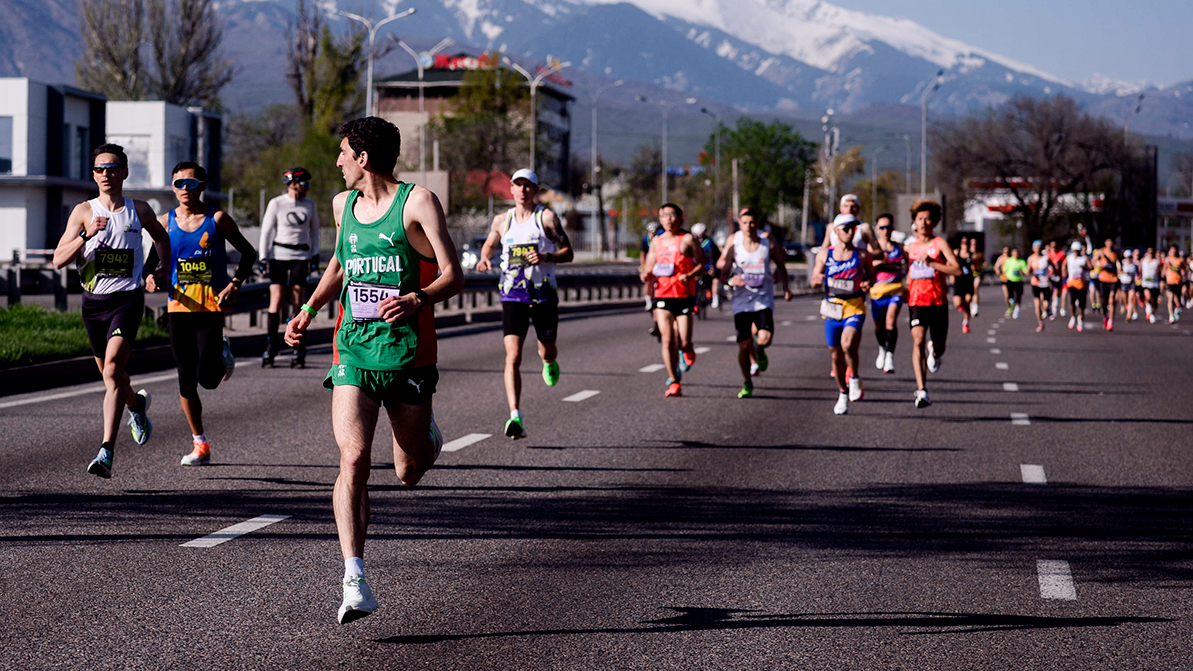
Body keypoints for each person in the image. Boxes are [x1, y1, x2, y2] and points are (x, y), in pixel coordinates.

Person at [284, 117, 463, 624]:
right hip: (354, 350)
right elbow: (340, 263)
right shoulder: (344, 206)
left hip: (407, 353)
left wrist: (417, 298)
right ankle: (354, 576)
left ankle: (428, 435)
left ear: (363, 157)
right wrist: (309, 309)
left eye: (343, 153)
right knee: (354, 457)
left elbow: (455, 275)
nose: (337, 162)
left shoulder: (418, 202)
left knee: (408, 471)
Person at [51, 143, 171, 479]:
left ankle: (106, 450)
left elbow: (162, 238)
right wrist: (87, 235)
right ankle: (137, 406)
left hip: (127, 300)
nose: (106, 174)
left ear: (124, 172)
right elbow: (59, 259)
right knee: (112, 377)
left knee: (113, 369)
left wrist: (162, 268)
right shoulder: (82, 212)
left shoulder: (140, 210)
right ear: (93, 174)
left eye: (113, 167)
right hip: (93, 305)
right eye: (100, 169)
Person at [146, 161, 257, 466]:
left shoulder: (217, 219)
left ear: (203, 186)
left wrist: (235, 284)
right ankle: (200, 443)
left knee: (207, 379)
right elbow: (150, 263)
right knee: (185, 380)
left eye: (192, 184)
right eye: (179, 184)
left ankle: (222, 354)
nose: (185, 189)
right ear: (172, 187)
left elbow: (249, 253)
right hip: (178, 307)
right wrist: (151, 277)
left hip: (210, 306)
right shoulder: (164, 222)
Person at [474, 169, 573, 439]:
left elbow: (568, 252)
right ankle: (515, 415)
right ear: (512, 189)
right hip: (512, 295)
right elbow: (489, 245)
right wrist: (484, 259)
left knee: (547, 351)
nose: (522, 190)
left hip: (543, 295)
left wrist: (546, 256)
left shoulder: (546, 218)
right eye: (517, 185)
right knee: (512, 356)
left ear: (535, 190)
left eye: (527, 186)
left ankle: (549, 361)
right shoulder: (501, 220)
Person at [720, 208, 791, 398]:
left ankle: (759, 350)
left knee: (765, 339)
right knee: (743, 346)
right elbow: (724, 273)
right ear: (740, 225)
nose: (749, 226)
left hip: (763, 299)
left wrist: (786, 288)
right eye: (744, 223)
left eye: (752, 223)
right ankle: (747, 382)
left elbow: (781, 265)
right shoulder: (735, 247)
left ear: (757, 224)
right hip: (741, 302)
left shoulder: (767, 244)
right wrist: (730, 281)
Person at [640, 203, 706, 397]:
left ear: (680, 217)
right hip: (662, 296)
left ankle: (687, 350)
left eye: (672, 215)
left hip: (684, 295)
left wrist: (690, 274)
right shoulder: (656, 242)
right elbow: (649, 265)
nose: (668, 219)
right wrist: (645, 274)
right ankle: (674, 381)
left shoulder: (687, 239)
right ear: (659, 219)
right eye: (664, 216)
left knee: (684, 341)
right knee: (667, 339)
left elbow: (702, 263)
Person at [811, 216, 874, 414]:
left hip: (854, 306)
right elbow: (813, 280)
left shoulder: (862, 255)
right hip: (832, 308)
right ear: (836, 231)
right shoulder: (824, 255)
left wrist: (867, 284)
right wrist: (817, 279)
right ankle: (842, 392)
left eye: (853, 229)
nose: (850, 232)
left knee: (848, 344)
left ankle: (854, 377)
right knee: (836, 355)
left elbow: (872, 276)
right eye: (846, 228)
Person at [259, 167, 320, 367]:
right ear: (293, 183)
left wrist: (315, 254)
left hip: (301, 256)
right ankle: (271, 347)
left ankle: (298, 348)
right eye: (305, 184)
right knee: (275, 300)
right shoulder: (277, 203)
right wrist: (263, 257)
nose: (307, 188)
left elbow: (315, 232)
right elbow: (266, 231)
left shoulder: (310, 205)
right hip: (279, 255)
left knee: (298, 301)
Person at [904, 199, 962, 408]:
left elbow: (957, 269)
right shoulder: (910, 247)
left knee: (939, 346)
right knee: (917, 340)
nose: (923, 223)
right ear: (915, 222)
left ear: (934, 223)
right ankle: (922, 390)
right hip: (916, 301)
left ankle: (935, 352)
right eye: (920, 219)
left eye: (928, 219)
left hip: (937, 301)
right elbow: (902, 270)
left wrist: (934, 264)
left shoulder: (940, 244)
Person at [870, 213, 907, 373]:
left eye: (888, 227)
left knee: (890, 321)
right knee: (879, 327)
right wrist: (878, 262)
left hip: (895, 291)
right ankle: (882, 349)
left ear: (893, 228)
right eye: (882, 227)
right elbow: (864, 266)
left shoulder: (899, 248)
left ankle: (890, 356)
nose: (885, 231)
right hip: (877, 293)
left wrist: (908, 286)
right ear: (877, 229)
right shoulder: (872, 249)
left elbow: (909, 266)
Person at [690, 223, 722, 309]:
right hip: (698, 265)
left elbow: (713, 255)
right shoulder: (692, 242)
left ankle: (714, 297)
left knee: (714, 280)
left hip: (710, 264)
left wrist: (712, 267)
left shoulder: (709, 241)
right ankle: (695, 301)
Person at [1092, 239, 1120, 330]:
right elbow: (1093, 261)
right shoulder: (1101, 252)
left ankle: (1111, 321)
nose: (1110, 244)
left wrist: (1119, 271)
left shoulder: (1116, 253)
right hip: (1103, 278)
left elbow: (1119, 264)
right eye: (1108, 242)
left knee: (1112, 300)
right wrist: (1099, 266)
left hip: (1113, 279)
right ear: (1105, 243)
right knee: (1104, 299)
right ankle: (1105, 315)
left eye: (1112, 242)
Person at [1026, 240, 1053, 332]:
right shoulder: (1030, 259)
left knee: (1045, 305)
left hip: (1045, 284)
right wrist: (1030, 273)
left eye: (1039, 248)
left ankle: (1047, 310)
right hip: (1035, 283)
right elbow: (1027, 271)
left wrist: (1049, 276)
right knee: (1037, 305)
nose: (1037, 250)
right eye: (1035, 248)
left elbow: (1053, 268)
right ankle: (1040, 323)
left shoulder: (1046, 258)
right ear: (1033, 249)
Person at [1065, 241, 1091, 332]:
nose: (1076, 252)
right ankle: (1073, 316)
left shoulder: (1084, 258)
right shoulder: (1069, 258)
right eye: (1075, 250)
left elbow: (1090, 267)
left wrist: (1084, 267)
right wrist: (1064, 272)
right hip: (1072, 282)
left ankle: (1081, 317)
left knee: (1081, 302)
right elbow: (1063, 265)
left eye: (1078, 250)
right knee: (1072, 300)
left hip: (1082, 282)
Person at [951, 235, 975, 335]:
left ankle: (965, 322)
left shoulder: (972, 255)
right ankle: (964, 308)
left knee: (968, 300)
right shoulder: (956, 254)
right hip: (959, 281)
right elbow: (950, 264)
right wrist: (952, 275)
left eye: (966, 243)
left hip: (968, 281)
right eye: (963, 243)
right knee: (958, 303)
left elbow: (977, 267)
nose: (965, 245)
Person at [1002, 248, 1027, 318]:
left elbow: (1025, 270)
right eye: (1014, 254)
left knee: (1018, 295)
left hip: (1018, 280)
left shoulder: (1022, 261)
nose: (1015, 255)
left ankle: (1017, 309)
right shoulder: (1009, 261)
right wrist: (1005, 277)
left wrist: (1023, 272)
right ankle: (1012, 304)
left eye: (1017, 254)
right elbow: (1004, 269)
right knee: (1010, 295)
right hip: (1010, 280)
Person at [1164, 245, 1186, 323]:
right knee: (1170, 298)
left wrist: (1184, 274)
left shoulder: (1180, 260)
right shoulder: (1167, 260)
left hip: (1178, 281)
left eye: (1174, 251)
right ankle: (1171, 315)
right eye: (1172, 251)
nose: (1173, 252)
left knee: (1177, 300)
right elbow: (1164, 270)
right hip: (1170, 281)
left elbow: (1184, 269)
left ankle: (1176, 310)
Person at [1117, 249, 1139, 322]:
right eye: (1127, 257)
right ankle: (1125, 306)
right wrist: (1124, 272)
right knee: (1125, 299)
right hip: (1124, 282)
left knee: (1131, 299)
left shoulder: (1134, 264)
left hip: (1131, 283)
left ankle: (1128, 315)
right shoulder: (1122, 263)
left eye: (1130, 257)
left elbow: (1136, 274)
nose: (1128, 258)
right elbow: (1118, 272)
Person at [1140, 247, 1161, 323]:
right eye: (1149, 252)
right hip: (1146, 283)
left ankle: (1153, 313)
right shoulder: (1143, 261)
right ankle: (1149, 309)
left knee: (1154, 301)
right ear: (1147, 253)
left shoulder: (1156, 261)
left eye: (1152, 253)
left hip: (1155, 283)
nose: (1150, 254)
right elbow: (1140, 269)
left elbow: (1161, 268)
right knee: (1148, 297)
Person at [1046, 241, 1067, 318]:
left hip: (1060, 276)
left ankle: (1061, 307)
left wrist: (1064, 271)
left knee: (1061, 293)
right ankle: (1053, 309)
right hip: (1051, 276)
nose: (1054, 248)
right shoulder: (1048, 255)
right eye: (1052, 247)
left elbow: (1065, 263)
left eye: (1055, 246)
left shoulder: (1061, 254)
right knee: (1053, 292)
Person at [993, 246, 1011, 315]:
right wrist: (997, 271)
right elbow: (996, 266)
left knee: (1011, 295)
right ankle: (1009, 307)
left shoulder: (1012, 258)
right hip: (1004, 279)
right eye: (1005, 252)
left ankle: (1014, 305)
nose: (1006, 253)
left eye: (1007, 252)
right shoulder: (1001, 258)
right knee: (1006, 295)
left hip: (1012, 279)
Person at [969, 240, 985, 317]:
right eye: (972, 244)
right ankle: (971, 304)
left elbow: (983, 262)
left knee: (975, 289)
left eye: (975, 244)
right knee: (970, 292)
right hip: (969, 275)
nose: (974, 245)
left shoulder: (979, 254)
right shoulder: (967, 254)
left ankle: (975, 307)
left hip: (977, 274)